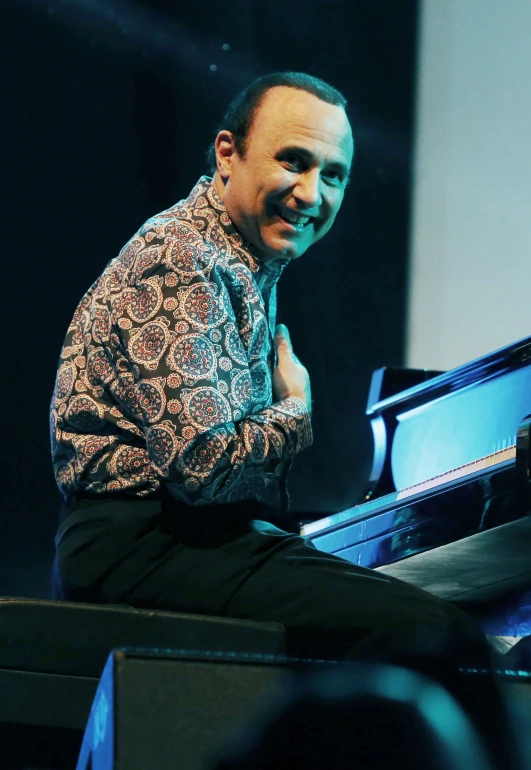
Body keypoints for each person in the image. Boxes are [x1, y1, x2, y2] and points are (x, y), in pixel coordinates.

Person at [50, 71, 492, 668]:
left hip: (188, 536)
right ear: (227, 154)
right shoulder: (185, 259)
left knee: (424, 614)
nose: (312, 194)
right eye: (294, 161)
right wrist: (293, 413)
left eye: (332, 175)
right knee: (435, 633)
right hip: (142, 544)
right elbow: (201, 469)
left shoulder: (239, 262)